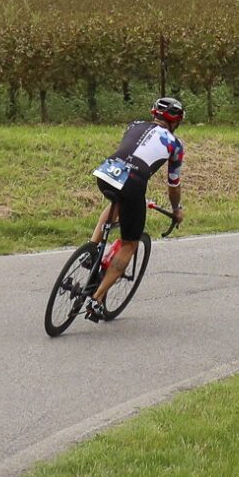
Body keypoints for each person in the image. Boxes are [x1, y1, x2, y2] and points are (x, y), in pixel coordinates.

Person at [89, 97, 186, 317]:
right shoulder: (175, 145)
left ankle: (92, 249)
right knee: (130, 244)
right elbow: (173, 185)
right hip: (133, 182)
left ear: (154, 113)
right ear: (176, 122)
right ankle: (97, 299)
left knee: (117, 202)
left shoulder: (134, 125)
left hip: (106, 172)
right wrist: (176, 209)